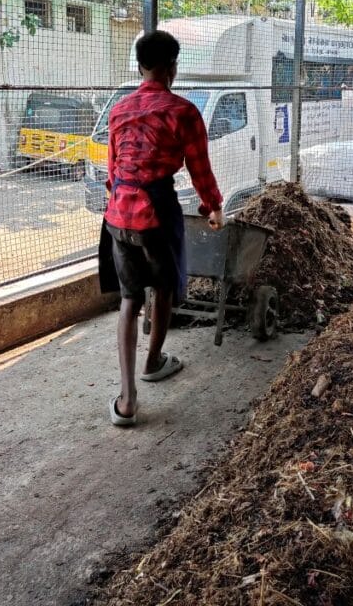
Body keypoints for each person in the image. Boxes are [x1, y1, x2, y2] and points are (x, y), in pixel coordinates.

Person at [97, 30, 225, 427]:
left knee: (130, 300)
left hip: (118, 213)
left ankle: (127, 399)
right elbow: (199, 168)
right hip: (156, 210)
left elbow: (113, 170)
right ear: (172, 67)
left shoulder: (118, 110)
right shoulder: (182, 111)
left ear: (140, 66)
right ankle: (153, 362)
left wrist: (118, 199)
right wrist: (213, 208)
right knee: (165, 287)